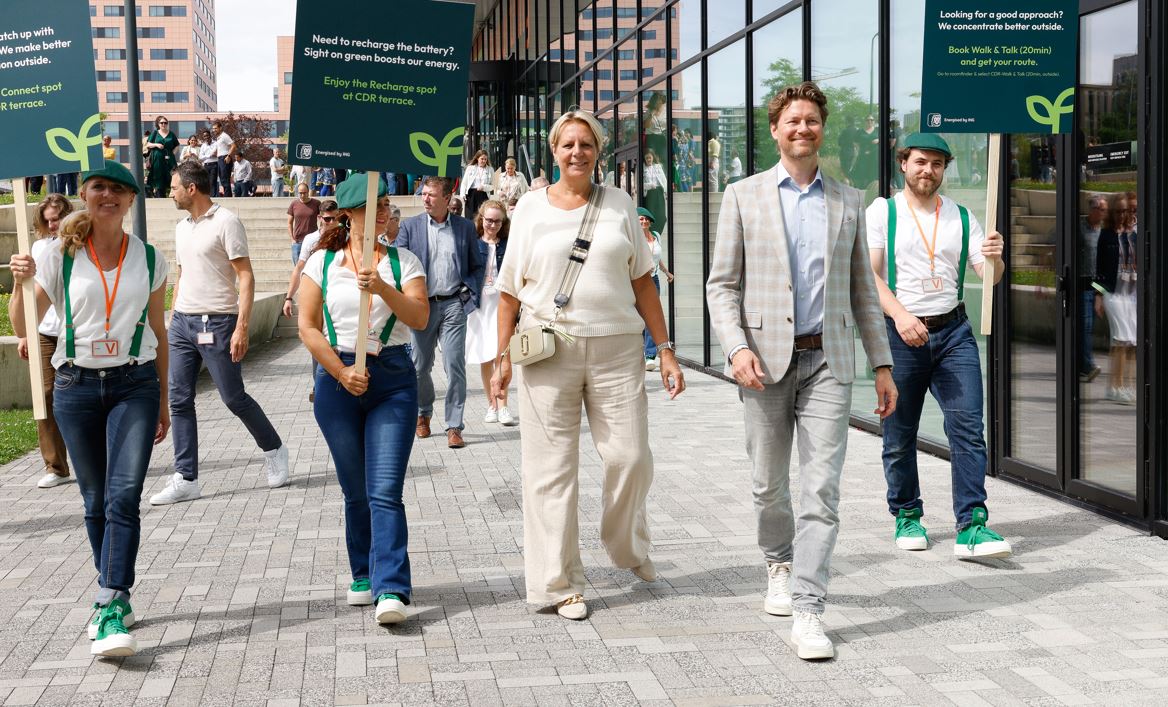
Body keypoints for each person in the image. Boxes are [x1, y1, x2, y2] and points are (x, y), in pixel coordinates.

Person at [705, 81, 896, 661]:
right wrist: (736, 348)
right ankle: (778, 564)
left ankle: (811, 609)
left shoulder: (848, 199)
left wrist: (882, 363)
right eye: (792, 121)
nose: (802, 129)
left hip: (830, 361)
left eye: (812, 120)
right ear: (775, 129)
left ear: (822, 128)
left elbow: (863, 289)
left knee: (822, 488)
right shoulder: (742, 195)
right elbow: (722, 285)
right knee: (769, 485)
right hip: (762, 363)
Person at [492, 109, 686, 621]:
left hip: (618, 349)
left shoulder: (620, 204)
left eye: (586, 145)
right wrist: (499, 361)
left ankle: (626, 545)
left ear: (598, 152)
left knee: (630, 456)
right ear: (554, 151)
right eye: (567, 144)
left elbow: (644, 281)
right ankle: (559, 584)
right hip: (547, 350)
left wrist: (664, 348)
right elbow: (509, 291)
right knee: (550, 472)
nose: (577, 152)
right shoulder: (530, 209)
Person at [8, 161, 170, 657]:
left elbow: (159, 333)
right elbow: (25, 323)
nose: (108, 196)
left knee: (124, 495)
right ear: (84, 193)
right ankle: (113, 587)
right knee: (95, 499)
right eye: (99, 187)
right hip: (76, 385)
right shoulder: (57, 255)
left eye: (118, 190)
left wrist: (164, 401)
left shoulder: (150, 258)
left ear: (130, 201)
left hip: (133, 383)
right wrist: (19, 282)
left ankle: (111, 600)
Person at [865, 132, 1012, 562]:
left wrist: (996, 257)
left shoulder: (963, 217)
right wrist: (901, 315)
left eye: (937, 164)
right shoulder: (883, 211)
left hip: (954, 334)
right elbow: (869, 276)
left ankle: (973, 523)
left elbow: (990, 277)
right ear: (903, 164)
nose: (928, 170)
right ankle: (907, 513)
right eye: (920, 162)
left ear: (945, 169)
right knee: (899, 433)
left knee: (967, 428)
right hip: (901, 334)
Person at [297, 173, 430, 624]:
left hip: (392, 378)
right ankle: (362, 572)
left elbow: (419, 316)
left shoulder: (404, 261)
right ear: (352, 215)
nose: (386, 214)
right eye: (376, 208)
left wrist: (382, 288)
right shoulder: (322, 263)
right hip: (337, 378)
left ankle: (392, 586)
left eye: (388, 207)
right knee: (355, 489)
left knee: (384, 490)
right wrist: (338, 370)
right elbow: (307, 326)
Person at [150, 162, 289, 505]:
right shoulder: (182, 227)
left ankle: (274, 448)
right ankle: (186, 477)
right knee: (179, 398)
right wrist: (173, 315)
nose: (170, 192)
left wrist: (242, 326)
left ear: (191, 188)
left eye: (173, 187)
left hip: (219, 323)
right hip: (182, 322)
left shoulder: (227, 222)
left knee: (232, 397)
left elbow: (246, 277)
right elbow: (182, 272)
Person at [395, 177, 484, 448]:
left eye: (432, 195)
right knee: (420, 366)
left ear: (448, 198)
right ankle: (423, 413)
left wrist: (470, 294)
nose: (426, 199)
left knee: (454, 364)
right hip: (421, 306)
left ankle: (454, 425)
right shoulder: (410, 227)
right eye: (424, 194)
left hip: (454, 303)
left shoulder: (465, 228)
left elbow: (477, 265)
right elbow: (397, 264)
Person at [21, 194, 74, 489]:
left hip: (74, 330)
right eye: (47, 220)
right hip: (44, 331)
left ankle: (92, 456)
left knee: (79, 394)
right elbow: (29, 291)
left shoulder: (79, 244)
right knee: (45, 394)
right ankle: (55, 466)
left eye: (56, 218)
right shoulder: (39, 247)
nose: (52, 224)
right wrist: (25, 333)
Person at [465, 200, 517, 426]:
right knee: (486, 356)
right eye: (489, 220)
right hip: (480, 305)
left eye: (497, 221)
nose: (492, 225)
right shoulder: (473, 243)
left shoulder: (509, 244)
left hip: (503, 303)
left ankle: (504, 406)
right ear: (481, 220)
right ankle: (492, 404)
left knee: (503, 355)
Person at [1095, 192, 1137, 404]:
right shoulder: (1106, 235)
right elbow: (1099, 270)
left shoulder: (1130, 234)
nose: (1122, 215)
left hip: (1130, 293)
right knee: (1120, 340)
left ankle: (1124, 384)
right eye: (1118, 211)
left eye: (1125, 211)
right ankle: (1116, 386)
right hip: (1113, 292)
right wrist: (1098, 295)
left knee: (1131, 342)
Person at [283, 200, 341, 318]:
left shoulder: (346, 237)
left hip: (337, 292)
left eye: (335, 218)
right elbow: (299, 267)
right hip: (316, 291)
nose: (332, 222)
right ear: (320, 218)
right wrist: (289, 297)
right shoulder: (311, 239)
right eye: (327, 219)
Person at [636, 207, 674, 371]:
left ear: (650, 222)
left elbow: (657, 257)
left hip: (655, 280)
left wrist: (666, 271)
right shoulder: (634, 238)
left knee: (652, 317)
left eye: (646, 219)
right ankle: (637, 352)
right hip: (638, 280)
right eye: (640, 219)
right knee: (638, 317)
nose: (644, 221)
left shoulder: (656, 236)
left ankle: (650, 355)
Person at [1079, 195, 1107, 382]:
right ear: (1093, 209)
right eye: (1102, 210)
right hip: (1080, 284)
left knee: (1086, 327)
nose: (1104, 213)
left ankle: (1083, 363)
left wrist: (1100, 293)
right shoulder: (1080, 228)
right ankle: (1087, 365)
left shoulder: (1103, 233)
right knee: (1085, 326)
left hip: (1094, 284)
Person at [143, 116, 179, 198]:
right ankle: (160, 196)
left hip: (169, 159)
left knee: (173, 175)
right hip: (157, 159)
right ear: (158, 124)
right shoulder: (155, 133)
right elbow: (148, 144)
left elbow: (177, 145)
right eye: (161, 123)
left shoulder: (171, 134)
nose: (163, 124)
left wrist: (173, 153)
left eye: (165, 123)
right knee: (158, 177)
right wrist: (156, 145)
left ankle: (174, 195)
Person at [287, 183, 322, 264]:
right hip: (297, 241)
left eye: (304, 193)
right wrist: (292, 239)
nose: (302, 195)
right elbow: (289, 223)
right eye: (300, 193)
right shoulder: (294, 204)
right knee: (298, 268)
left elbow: (322, 219)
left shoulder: (316, 203)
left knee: (313, 266)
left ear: (308, 192)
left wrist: (320, 234)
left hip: (313, 241)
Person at [642, 150, 668, 236]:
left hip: (659, 192)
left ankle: (656, 235)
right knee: (651, 216)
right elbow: (640, 185)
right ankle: (651, 235)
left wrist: (666, 191)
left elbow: (664, 180)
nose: (648, 159)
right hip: (650, 194)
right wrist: (649, 185)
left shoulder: (658, 167)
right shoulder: (642, 169)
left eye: (650, 157)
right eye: (646, 158)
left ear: (653, 157)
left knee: (662, 217)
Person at [460, 150, 493, 217]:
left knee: (482, 216)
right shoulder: (470, 168)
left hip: (483, 195)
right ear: (477, 158)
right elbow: (464, 183)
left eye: (485, 159)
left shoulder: (490, 169)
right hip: (471, 195)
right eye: (482, 159)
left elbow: (492, 186)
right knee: (470, 216)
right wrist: (462, 194)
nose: (483, 161)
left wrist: (484, 187)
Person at [210, 121, 236, 198]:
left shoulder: (224, 136)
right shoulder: (218, 138)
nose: (214, 130)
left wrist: (228, 156)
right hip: (220, 159)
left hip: (225, 158)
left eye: (215, 128)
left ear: (220, 128)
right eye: (213, 129)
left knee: (225, 178)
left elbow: (233, 146)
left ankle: (227, 196)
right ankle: (228, 195)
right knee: (222, 178)